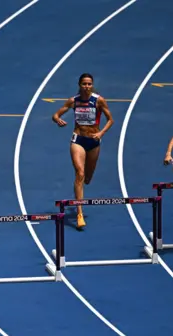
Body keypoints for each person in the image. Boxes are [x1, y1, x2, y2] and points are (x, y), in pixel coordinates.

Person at [52, 73, 114, 230]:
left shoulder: (98, 100)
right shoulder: (74, 101)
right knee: (79, 174)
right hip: (78, 140)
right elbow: (56, 114)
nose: (86, 86)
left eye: (89, 84)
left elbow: (111, 120)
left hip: (93, 141)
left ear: (92, 85)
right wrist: (57, 119)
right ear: (79, 85)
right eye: (84, 84)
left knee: (87, 178)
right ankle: (79, 213)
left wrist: (101, 133)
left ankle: (81, 193)